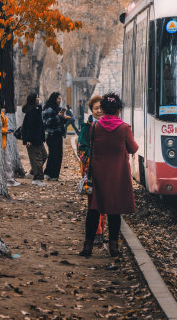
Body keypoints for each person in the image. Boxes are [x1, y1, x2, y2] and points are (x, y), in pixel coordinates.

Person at [79, 93, 139, 258]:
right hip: (118, 175)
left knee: (93, 210)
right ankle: (113, 248)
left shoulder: (94, 127)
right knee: (114, 212)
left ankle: (87, 247)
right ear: (118, 111)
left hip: (98, 174)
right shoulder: (124, 128)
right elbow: (133, 149)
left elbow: (90, 145)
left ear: (104, 110)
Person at [78, 95, 106, 246]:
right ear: (91, 110)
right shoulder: (86, 126)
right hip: (92, 170)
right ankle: (97, 233)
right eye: (96, 108)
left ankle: (102, 229)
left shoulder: (110, 126)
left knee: (105, 201)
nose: (99, 111)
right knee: (94, 201)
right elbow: (82, 147)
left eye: (101, 108)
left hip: (107, 170)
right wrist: (92, 160)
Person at [21, 93, 47, 186]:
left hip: (38, 138)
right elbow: (28, 127)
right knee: (38, 159)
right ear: (33, 99)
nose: (38, 99)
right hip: (32, 140)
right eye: (36, 97)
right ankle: (38, 179)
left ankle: (32, 172)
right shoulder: (31, 111)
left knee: (44, 156)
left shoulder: (36, 110)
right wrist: (28, 139)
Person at [43, 92, 67, 181]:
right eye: (58, 98)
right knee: (53, 154)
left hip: (58, 134)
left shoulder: (58, 109)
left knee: (59, 155)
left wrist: (64, 118)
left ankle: (55, 175)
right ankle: (48, 173)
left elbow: (59, 123)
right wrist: (58, 117)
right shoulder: (48, 109)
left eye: (60, 99)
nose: (60, 100)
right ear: (54, 99)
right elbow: (46, 122)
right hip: (51, 135)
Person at [1, 107, 20, 187]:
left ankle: (9, 179)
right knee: (7, 161)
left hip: (3, 141)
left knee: (7, 161)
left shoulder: (1, 113)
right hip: (1, 142)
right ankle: (9, 180)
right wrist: (6, 131)